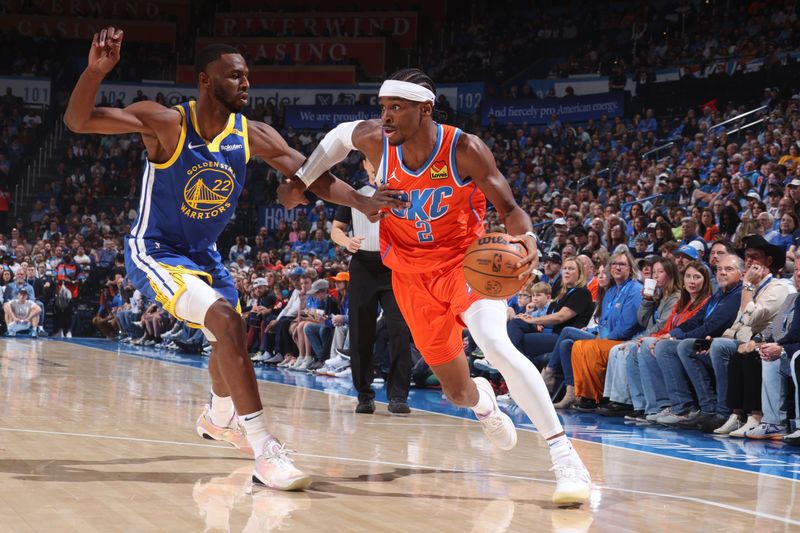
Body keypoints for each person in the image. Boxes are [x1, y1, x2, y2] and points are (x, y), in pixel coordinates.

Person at [63, 28, 402, 491]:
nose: (246, 83)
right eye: (235, 76)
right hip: (156, 251)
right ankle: (265, 448)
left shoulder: (254, 134)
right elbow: (79, 120)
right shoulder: (165, 123)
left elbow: (311, 175)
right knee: (226, 322)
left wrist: (363, 204)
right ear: (206, 80)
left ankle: (220, 415)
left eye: (247, 76)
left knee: (231, 336)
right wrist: (95, 72)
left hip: (205, 255)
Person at [284, 68, 591, 504]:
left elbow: (510, 207)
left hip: (467, 264)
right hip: (410, 278)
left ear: (425, 109)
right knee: (457, 391)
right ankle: (484, 401)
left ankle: (564, 457)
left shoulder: (464, 148)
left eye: (397, 108)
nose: (386, 117)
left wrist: (528, 240)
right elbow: (335, 138)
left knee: (494, 342)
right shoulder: (374, 139)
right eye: (383, 107)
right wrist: (302, 179)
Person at [331, 158, 413, 415]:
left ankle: (398, 396)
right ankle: (364, 395)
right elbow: (336, 229)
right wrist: (346, 241)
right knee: (360, 331)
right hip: (363, 265)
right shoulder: (354, 194)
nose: (378, 163)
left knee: (399, 330)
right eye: (372, 159)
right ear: (365, 162)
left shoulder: (404, 192)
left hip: (394, 266)